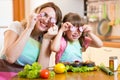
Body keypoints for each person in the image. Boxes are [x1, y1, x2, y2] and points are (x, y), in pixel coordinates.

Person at [0, 2, 62, 72]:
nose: (46, 20)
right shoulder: (17, 26)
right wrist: (29, 28)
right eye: (44, 15)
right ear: (36, 13)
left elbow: (41, 70)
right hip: (4, 73)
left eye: (51, 19)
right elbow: (10, 58)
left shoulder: (45, 39)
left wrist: (46, 39)